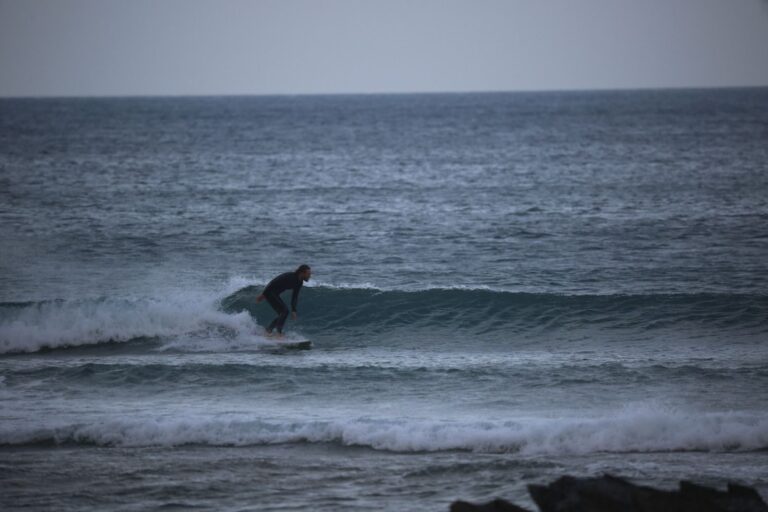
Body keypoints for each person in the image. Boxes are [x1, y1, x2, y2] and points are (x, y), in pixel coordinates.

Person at [256, 264, 312, 336]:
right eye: (308, 274)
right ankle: (278, 333)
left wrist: (294, 310)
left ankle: (268, 330)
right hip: (270, 293)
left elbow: (295, 296)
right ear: (302, 273)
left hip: (275, 294)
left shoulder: (299, 282)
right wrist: (263, 294)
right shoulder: (290, 276)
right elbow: (273, 282)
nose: (310, 276)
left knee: (282, 313)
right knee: (284, 311)